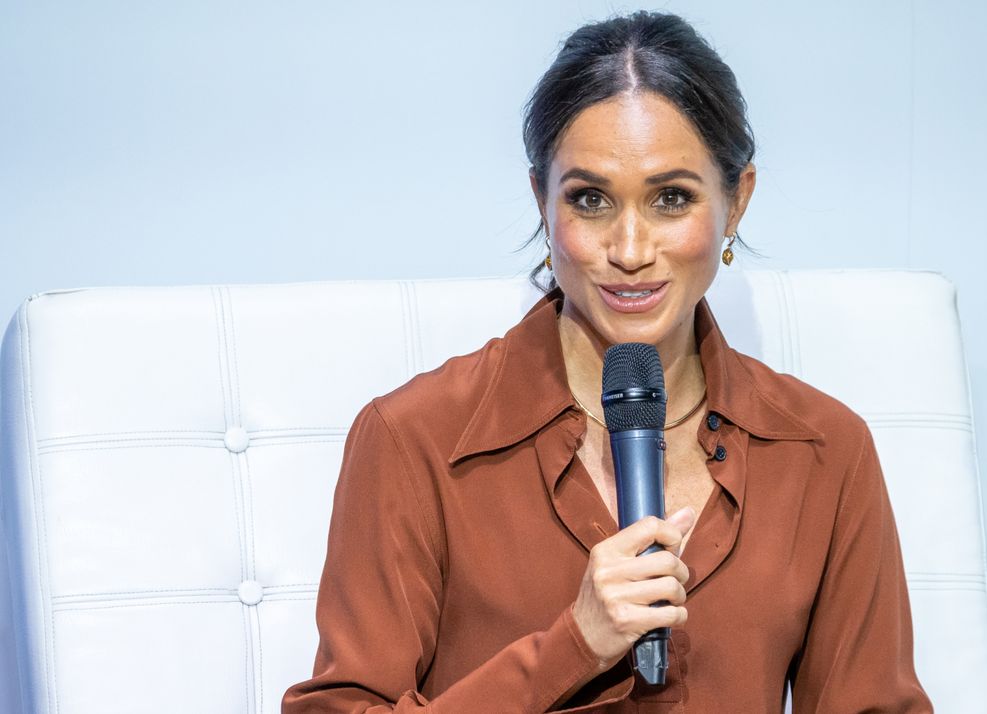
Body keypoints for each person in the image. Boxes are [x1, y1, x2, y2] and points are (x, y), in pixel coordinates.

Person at [282, 10, 932, 713]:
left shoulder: (824, 451)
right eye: (590, 200)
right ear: (542, 200)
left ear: (736, 202)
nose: (629, 248)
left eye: (671, 199)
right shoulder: (415, 439)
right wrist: (576, 643)